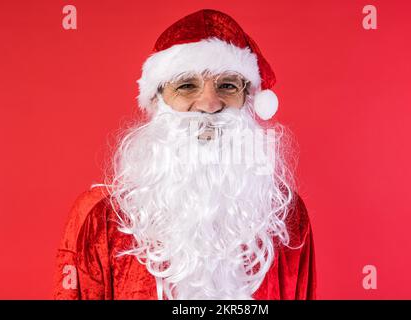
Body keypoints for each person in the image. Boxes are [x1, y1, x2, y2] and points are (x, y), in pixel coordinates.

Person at [53, 8, 316, 300]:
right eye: (186, 86)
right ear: (158, 100)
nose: (209, 104)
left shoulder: (287, 216)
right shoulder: (99, 217)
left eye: (227, 85)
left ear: (248, 100)